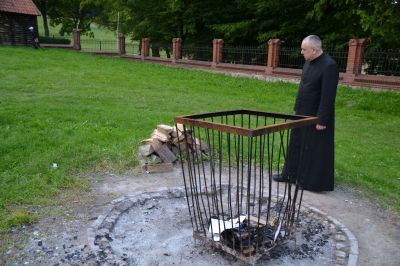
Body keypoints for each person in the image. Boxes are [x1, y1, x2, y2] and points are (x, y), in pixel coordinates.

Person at [274, 35, 339, 192]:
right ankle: (289, 174)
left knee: (312, 147)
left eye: (304, 49)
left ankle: (310, 182)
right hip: (302, 112)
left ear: (314, 50)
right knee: (296, 144)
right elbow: (303, 88)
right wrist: (297, 108)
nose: (301, 52)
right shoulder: (308, 62)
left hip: (316, 116)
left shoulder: (329, 66)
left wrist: (322, 120)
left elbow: (328, 96)